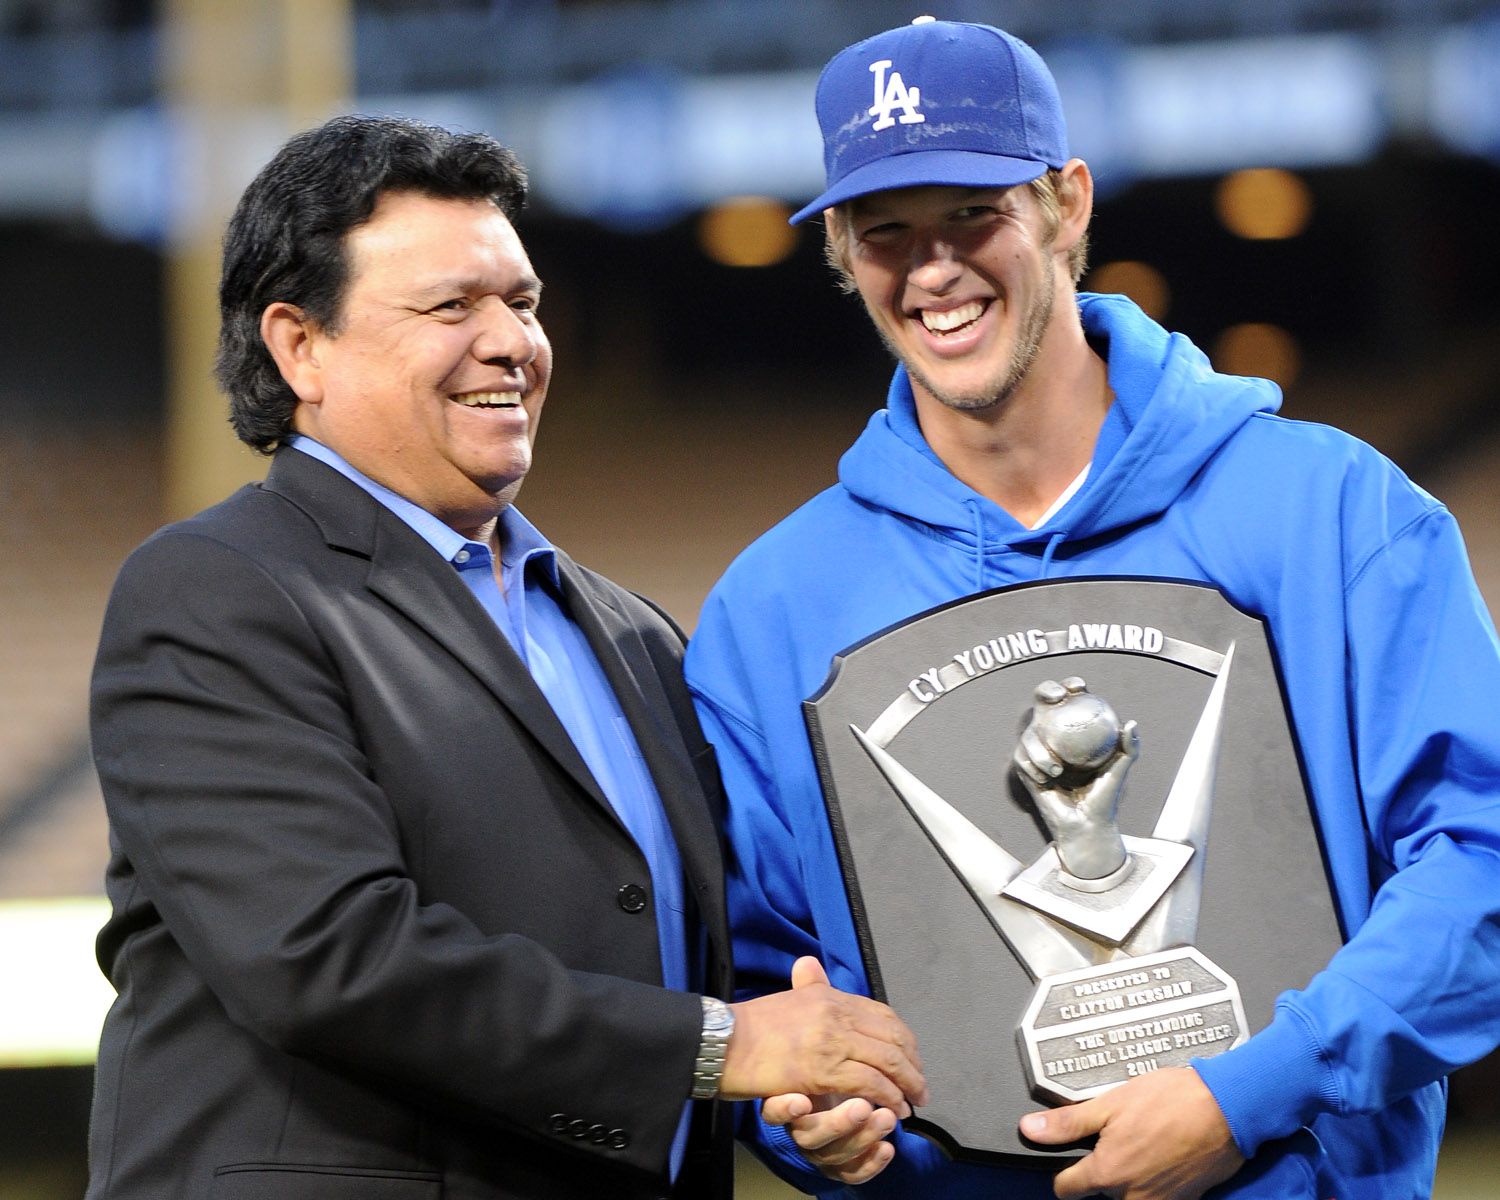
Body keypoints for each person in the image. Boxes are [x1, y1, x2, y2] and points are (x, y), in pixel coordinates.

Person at [685, 17, 1500, 1200]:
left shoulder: (1332, 511)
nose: (932, 270)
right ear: (842, 254)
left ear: (1067, 204)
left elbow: (1481, 857)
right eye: (884, 233)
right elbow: (758, 983)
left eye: (973, 215)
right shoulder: (772, 611)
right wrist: (804, 1120)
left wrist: (1249, 1089)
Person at [86, 114, 927, 1200]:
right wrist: (723, 1050)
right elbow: (330, 959)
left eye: (521, 303)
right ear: (300, 347)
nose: (511, 342)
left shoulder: (633, 634)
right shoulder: (217, 592)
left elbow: (692, 971)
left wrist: (802, 1109)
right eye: (450, 306)